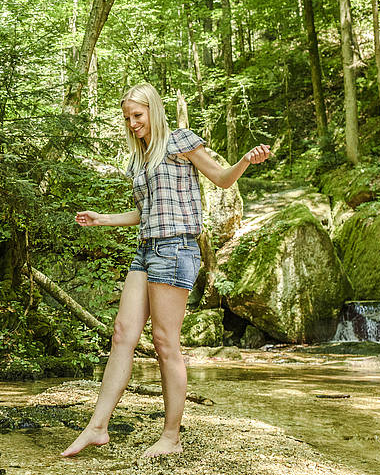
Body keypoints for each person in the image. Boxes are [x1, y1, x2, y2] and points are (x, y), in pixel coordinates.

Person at [61, 83, 271, 460]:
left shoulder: (179, 141)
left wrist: (244, 161)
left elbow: (221, 178)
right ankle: (97, 428)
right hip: (146, 249)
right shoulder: (138, 160)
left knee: (164, 343)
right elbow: (147, 213)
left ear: (153, 111)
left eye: (137, 116)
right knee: (122, 334)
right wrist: (103, 219)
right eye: (127, 118)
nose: (132, 123)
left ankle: (171, 435)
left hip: (177, 249)